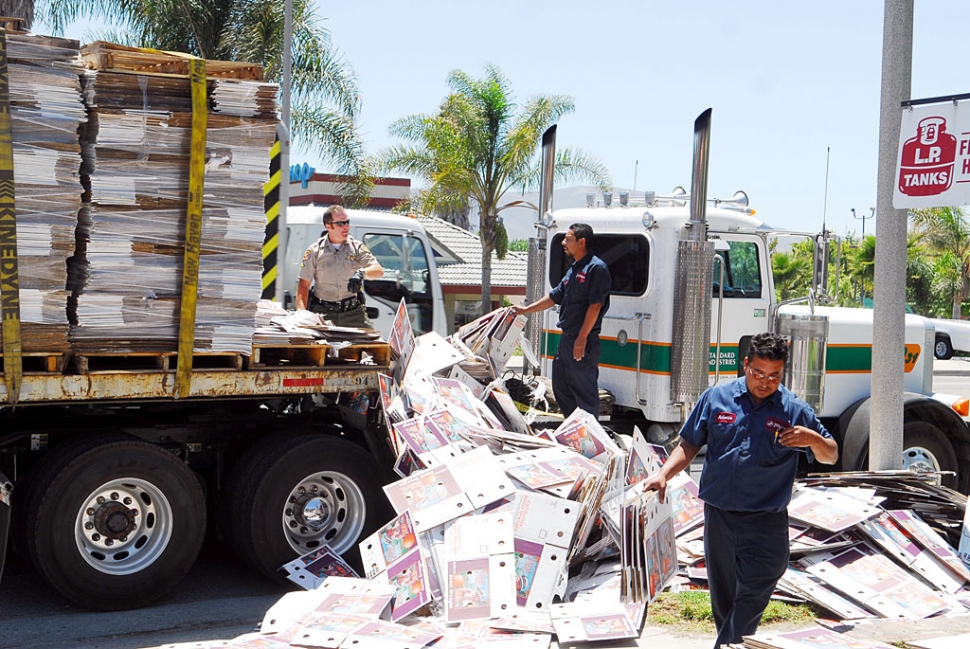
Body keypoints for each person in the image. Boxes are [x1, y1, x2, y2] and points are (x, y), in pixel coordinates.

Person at [642, 332, 839, 648]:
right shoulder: (717, 397)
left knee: (752, 595)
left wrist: (813, 439)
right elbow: (690, 443)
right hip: (720, 517)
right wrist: (664, 473)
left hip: (766, 523)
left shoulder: (794, 411)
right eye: (758, 373)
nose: (765, 382)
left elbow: (831, 454)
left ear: (782, 372)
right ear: (745, 365)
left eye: (774, 376)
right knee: (725, 601)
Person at [513, 223, 610, 417]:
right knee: (560, 387)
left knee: (585, 393)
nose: (564, 243)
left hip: (582, 342)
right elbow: (554, 296)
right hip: (566, 341)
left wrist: (582, 338)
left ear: (581, 242)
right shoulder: (574, 269)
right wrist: (526, 309)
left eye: (568, 239)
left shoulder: (596, 268)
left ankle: (590, 439)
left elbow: (595, 306)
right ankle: (574, 428)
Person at [296, 205, 383, 328]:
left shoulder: (357, 247)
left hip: (352, 313)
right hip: (323, 312)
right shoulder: (314, 251)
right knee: (313, 346)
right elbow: (303, 285)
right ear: (328, 226)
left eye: (347, 222)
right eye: (340, 223)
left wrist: (361, 273)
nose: (346, 226)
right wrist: (301, 314)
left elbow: (378, 270)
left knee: (375, 346)